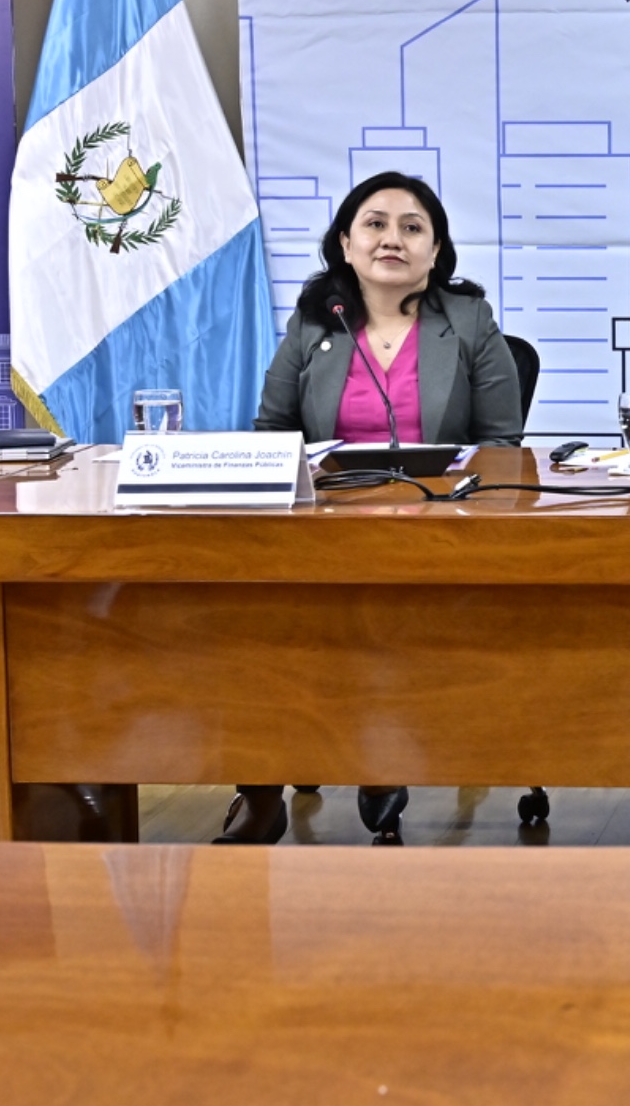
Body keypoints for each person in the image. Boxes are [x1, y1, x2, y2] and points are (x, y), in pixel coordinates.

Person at [218, 170, 526, 847]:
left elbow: (502, 446)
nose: (393, 239)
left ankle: (377, 752)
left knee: (377, 616)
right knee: (254, 623)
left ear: (436, 251)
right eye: (375, 224)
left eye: (412, 228)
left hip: (437, 531)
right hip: (323, 530)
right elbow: (273, 433)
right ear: (345, 244)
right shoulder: (316, 322)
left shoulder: (468, 320)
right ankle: (260, 787)